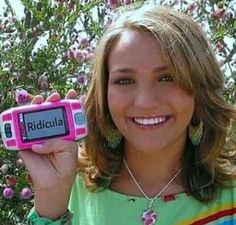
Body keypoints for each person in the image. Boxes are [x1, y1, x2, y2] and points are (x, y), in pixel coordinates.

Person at [20, 4, 236, 225]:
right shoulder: (69, 188)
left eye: (167, 78)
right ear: (104, 94)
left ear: (200, 88)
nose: (145, 101)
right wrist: (50, 201)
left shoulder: (231, 201)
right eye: (125, 81)